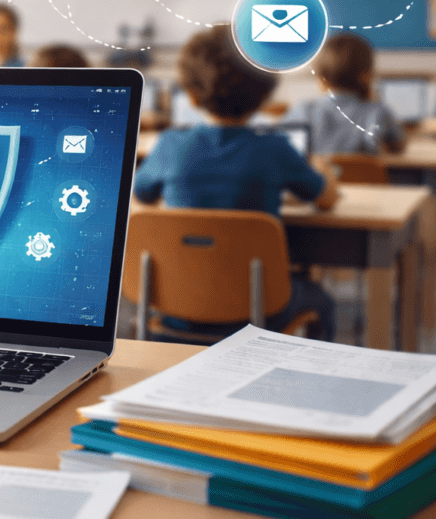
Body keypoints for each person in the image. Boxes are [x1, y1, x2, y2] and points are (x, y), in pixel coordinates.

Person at [133, 24, 339, 341]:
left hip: (175, 309)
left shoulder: (170, 145)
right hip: (258, 310)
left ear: (190, 93)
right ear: (265, 95)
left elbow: (142, 195)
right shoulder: (275, 148)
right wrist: (322, 170)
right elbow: (326, 199)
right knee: (322, 301)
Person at [282, 33, 406, 155]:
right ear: (367, 76)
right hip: (361, 175)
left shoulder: (304, 110)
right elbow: (398, 147)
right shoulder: (378, 111)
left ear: (321, 78)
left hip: (314, 175)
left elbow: (281, 146)